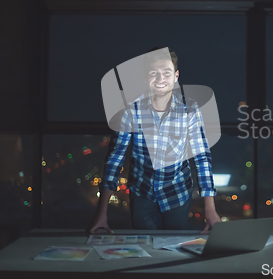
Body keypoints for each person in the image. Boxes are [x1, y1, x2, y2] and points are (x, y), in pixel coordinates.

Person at [87, 47, 221, 234]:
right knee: (145, 249)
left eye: (166, 73)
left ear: (176, 76)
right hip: (142, 195)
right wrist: (101, 213)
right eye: (154, 73)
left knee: (175, 253)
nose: (160, 79)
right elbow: (114, 159)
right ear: (145, 77)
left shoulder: (189, 109)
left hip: (178, 195)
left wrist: (210, 210)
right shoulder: (129, 110)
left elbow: (202, 158)